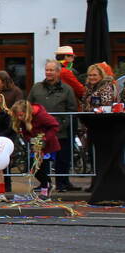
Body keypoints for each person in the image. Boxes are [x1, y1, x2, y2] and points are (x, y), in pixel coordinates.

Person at [27, 60, 79, 192]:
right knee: (40, 160)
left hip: (60, 131)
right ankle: (45, 183)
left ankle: (62, 183)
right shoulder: (36, 87)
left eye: (52, 70)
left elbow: (71, 110)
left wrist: (60, 126)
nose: (48, 73)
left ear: (58, 72)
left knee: (62, 159)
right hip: (39, 132)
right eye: (47, 70)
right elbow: (28, 106)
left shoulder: (67, 89)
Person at [10, 99, 60, 200]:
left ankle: (45, 192)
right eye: (18, 116)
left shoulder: (41, 116)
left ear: (27, 112)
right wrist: (31, 140)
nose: (19, 118)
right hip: (36, 146)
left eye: (21, 115)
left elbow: (55, 125)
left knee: (43, 168)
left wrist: (45, 138)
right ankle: (47, 185)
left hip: (47, 146)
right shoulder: (24, 120)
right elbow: (26, 134)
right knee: (33, 168)